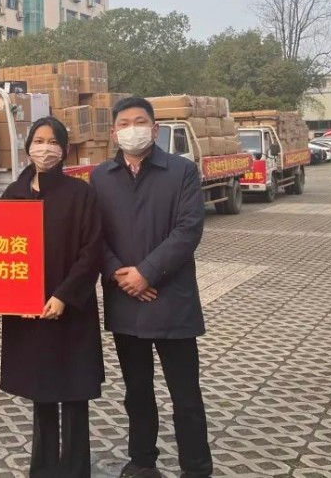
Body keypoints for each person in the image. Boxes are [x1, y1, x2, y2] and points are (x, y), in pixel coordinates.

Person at [89, 97, 213, 478]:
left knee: (185, 394)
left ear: (155, 129)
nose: (133, 129)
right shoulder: (101, 177)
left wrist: (146, 273)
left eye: (140, 121)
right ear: (114, 133)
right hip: (126, 302)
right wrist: (118, 274)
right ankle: (142, 460)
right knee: (137, 391)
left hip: (172, 301)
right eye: (124, 123)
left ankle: (196, 467)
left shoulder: (181, 171)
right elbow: (94, 235)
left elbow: (188, 230)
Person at [0, 116, 105, 477]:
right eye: (39, 141)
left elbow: (91, 251)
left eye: (53, 141)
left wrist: (63, 296)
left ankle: (75, 470)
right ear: (28, 146)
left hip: (71, 310)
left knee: (74, 393)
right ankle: (43, 469)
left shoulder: (81, 194)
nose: (45, 148)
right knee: (41, 394)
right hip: (28, 314)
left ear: (64, 149)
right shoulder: (13, 194)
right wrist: (14, 297)